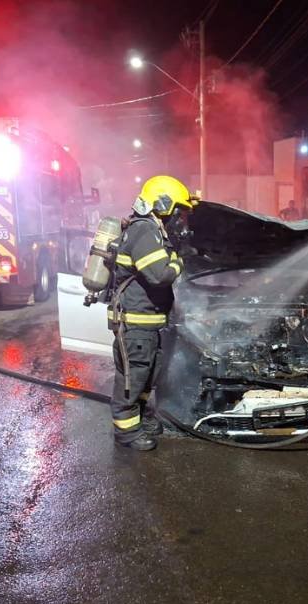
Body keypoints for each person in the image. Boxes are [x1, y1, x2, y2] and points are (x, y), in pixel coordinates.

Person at [109, 175, 193, 451]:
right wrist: (180, 261)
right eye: (177, 211)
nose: (179, 218)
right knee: (132, 380)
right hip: (136, 325)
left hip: (149, 325)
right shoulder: (144, 231)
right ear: (163, 204)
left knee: (148, 376)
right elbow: (159, 275)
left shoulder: (153, 231)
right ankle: (126, 432)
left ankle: (142, 419)